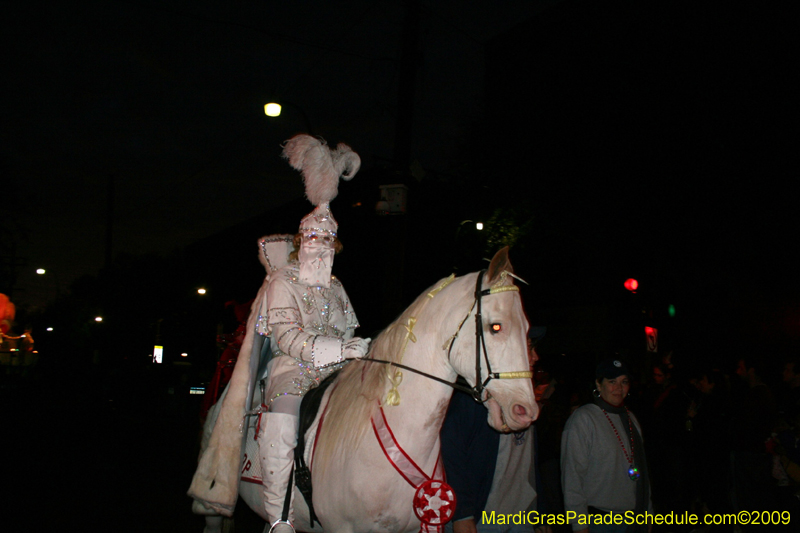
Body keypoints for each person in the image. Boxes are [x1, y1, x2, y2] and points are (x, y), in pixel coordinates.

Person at [257, 135, 370, 533]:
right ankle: (279, 517)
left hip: (336, 371)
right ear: (300, 241)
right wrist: (339, 347)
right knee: (284, 420)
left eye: (327, 241)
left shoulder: (338, 287)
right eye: (313, 239)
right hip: (292, 370)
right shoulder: (282, 282)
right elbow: (286, 336)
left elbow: (350, 328)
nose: (320, 247)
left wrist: (358, 351)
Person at [441, 327, 550, 533]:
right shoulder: (474, 398)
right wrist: (462, 514)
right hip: (484, 521)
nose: (536, 357)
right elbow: (450, 455)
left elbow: (529, 464)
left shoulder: (525, 398)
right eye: (528, 348)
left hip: (521, 518)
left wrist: (540, 513)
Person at [561, 358, 652, 533]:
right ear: (598, 384)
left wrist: (648, 513)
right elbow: (572, 477)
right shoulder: (583, 419)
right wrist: (579, 525)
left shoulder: (631, 418)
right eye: (612, 382)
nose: (619, 388)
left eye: (624, 382)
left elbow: (642, 472)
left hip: (633, 519)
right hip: (599, 521)